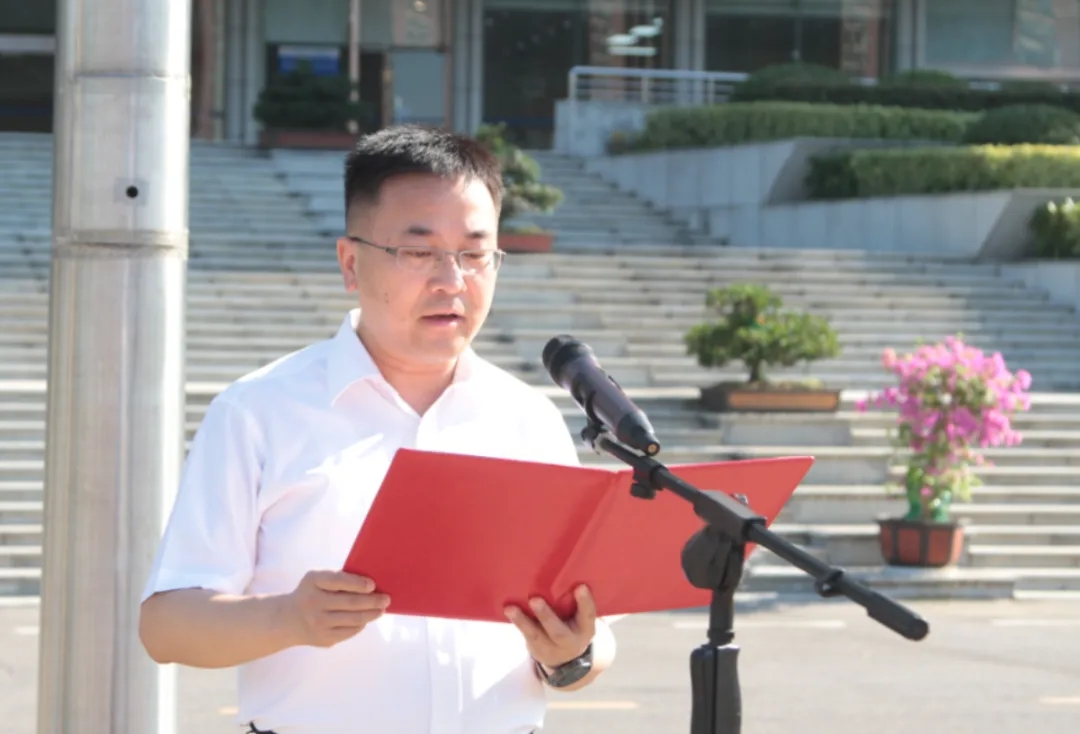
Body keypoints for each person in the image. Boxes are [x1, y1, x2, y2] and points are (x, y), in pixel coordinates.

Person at [138, 125, 617, 733]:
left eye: (475, 254)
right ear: (350, 262)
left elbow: (590, 635)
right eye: (419, 252)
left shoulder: (528, 418)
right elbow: (166, 626)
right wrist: (288, 617)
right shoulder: (259, 411)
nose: (452, 280)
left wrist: (571, 655)